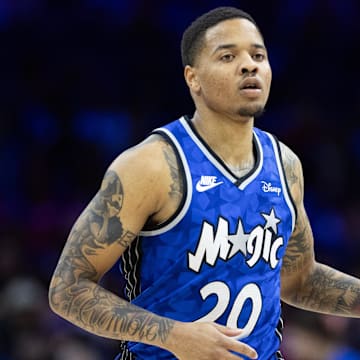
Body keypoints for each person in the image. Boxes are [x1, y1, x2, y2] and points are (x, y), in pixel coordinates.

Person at [48, 6, 360, 360]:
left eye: (258, 55)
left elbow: (299, 281)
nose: (249, 65)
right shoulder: (152, 165)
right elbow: (68, 289)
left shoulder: (285, 164)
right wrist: (173, 335)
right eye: (228, 56)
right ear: (192, 78)